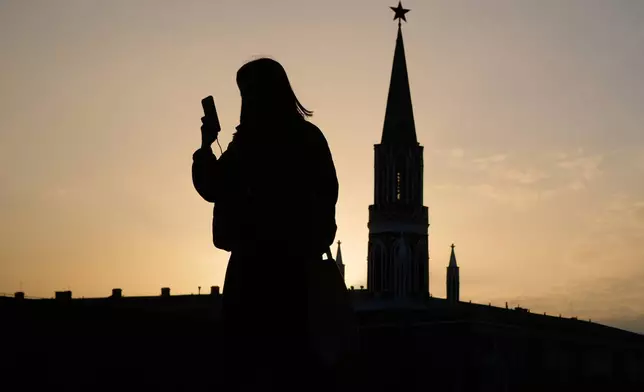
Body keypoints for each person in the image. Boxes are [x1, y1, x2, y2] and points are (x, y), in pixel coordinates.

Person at [192, 58, 345, 391]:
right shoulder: (308, 139)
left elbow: (211, 185)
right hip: (297, 276)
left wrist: (206, 146)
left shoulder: (249, 144)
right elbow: (327, 201)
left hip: (253, 277)